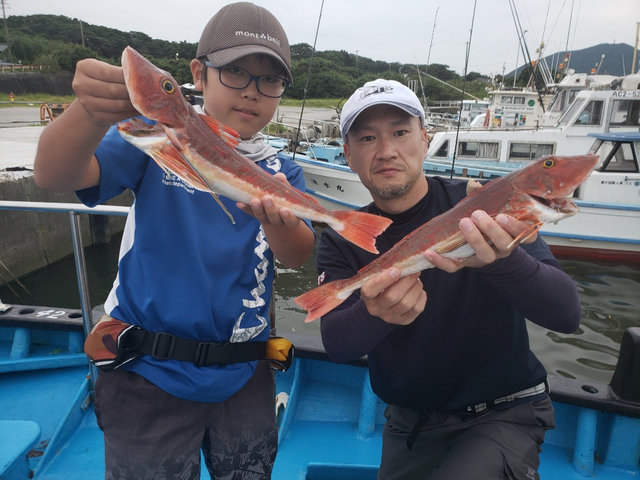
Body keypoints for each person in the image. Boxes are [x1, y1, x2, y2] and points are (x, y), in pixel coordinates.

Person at [33, 2, 314, 479]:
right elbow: (52, 175)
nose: (252, 92)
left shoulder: (282, 170)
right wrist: (88, 112)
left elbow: (298, 253)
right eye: (236, 73)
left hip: (245, 373)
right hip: (148, 371)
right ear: (199, 74)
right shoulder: (156, 139)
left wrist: (280, 221)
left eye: (269, 80)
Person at [316, 79, 581, 480]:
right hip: (409, 424)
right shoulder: (344, 237)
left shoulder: (481, 204)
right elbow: (336, 344)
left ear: (425, 139)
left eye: (401, 132)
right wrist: (376, 313)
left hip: (504, 413)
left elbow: (566, 314)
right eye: (368, 138)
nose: (387, 151)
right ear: (348, 156)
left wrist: (500, 261)